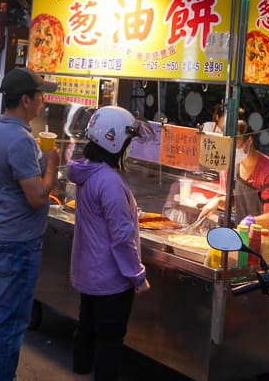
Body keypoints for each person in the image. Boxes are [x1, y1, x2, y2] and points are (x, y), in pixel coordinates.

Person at [0, 67, 59, 381]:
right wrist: (51, 166)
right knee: (10, 324)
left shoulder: (0, 129)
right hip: (17, 243)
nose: (43, 100)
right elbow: (37, 196)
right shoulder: (20, 140)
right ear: (25, 100)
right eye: (39, 95)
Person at [68, 106, 151, 380]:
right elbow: (121, 238)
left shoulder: (88, 172)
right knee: (109, 341)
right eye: (128, 143)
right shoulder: (109, 182)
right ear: (115, 142)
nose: (129, 149)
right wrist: (137, 276)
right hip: (111, 278)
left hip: (89, 273)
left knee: (87, 330)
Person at [198, 119, 269, 227]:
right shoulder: (228, 167)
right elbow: (232, 200)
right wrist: (217, 202)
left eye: (236, 142)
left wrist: (251, 222)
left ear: (249, 141)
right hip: (240, 233)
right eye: (228, 143)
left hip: (266, 236)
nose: (232, 148)